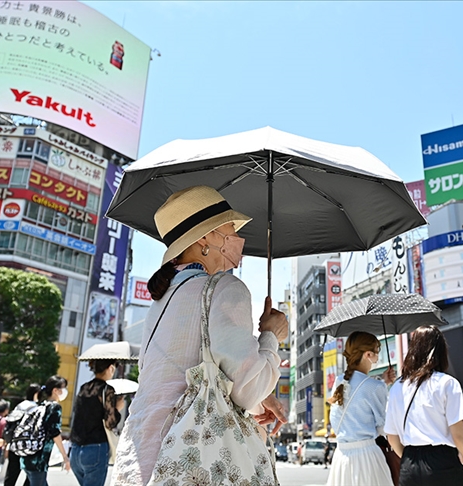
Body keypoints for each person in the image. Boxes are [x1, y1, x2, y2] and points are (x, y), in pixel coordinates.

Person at [112, 186, 288, 485]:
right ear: (205, 238)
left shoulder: (162, 299)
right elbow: (247, 389)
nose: (237, 236)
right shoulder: (225, 288)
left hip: (141, 453)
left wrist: (263, 396)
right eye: (230, 228)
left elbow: (184, 372)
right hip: (192, 457)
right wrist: (271, 336)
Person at [384, 325, 463, 486]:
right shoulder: (447, 383)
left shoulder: (397, 387)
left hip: (409, 465)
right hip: (441, 462)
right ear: (440, 351)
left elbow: (392, 437)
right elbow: (459, 437)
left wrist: (410, 459)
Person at [325, 331, 396, 486]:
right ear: (368, 355)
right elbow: (383, 427)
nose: (378, 358)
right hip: (367, 456)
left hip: (341, 457)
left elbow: (358, 395)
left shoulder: (339, 382)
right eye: (377, 352)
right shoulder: (375, 387)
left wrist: (383, 382)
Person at [69, 358, 124, 486]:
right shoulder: (106, 389)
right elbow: (110, 423)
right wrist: (117, 409)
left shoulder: (84, 388)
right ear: (110, 368)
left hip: (76, 449)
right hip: (95, 448)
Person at [20, 376, 71, 485]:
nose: (65, 391)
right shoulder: (55, 407)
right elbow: (54, 432)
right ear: (55, 390)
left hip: (29, 455)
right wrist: (65, 456)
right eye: (63, 388)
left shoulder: (41, 405)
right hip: (40, 459)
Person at [3, 383, 41, 486]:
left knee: (11, 475)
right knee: (30, 475)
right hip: (27, 445)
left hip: (14, 444)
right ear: (36, 394)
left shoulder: (19, 406)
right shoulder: (35, 408)